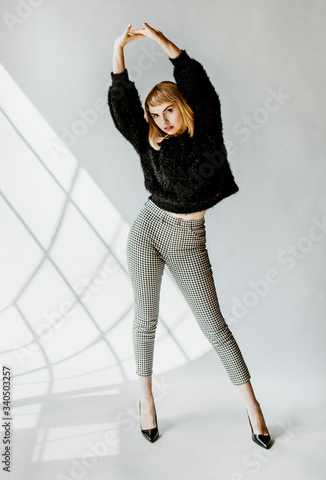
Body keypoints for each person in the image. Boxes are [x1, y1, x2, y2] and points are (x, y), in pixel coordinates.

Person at [107, 22, 271, 448]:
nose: (162, 120)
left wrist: (162, 43)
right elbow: (123, 106)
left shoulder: (207, 130)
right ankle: (145, 401)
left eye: (169, 111)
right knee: (146, 317)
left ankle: (254, 409)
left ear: (183, 107)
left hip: (187, 238)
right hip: (149, 228)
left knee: (213, 325)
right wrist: (118, 49)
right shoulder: (150, 139)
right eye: (155, 114)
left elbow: (198, 83)